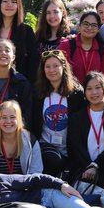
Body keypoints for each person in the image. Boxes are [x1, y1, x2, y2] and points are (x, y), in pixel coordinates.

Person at [67, 71, 104, 205]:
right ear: (85, 93)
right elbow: (76, 146)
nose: (94, 93)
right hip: (84, 168)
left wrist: (96, 165)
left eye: (98, 88)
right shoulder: (78, 117)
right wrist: (89, 166)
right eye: (89, 89)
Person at [31, 49, 85, 177]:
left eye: (56, 66)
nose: (52, 70)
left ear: (63, 67)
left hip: (69, 148)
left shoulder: (76, 94)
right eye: (47, 67)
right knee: (53, 161)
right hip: (46, 147)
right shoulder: (38, 93)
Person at [0, 100, 42, 177]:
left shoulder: (31, 141)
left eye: (12, 117)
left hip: (24, 187)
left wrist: (22, 185)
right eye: (4, 117)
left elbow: (36, 172)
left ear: (19, 119)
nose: (8, 121)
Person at [0, 0, 38, 80]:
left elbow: (33, 63)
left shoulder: (26, 31)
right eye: (5, 1)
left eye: (14, 2)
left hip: (20, 85)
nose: (9, 5)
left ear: (18, 6)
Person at [60, 10, 104, 85]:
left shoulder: (102, 49)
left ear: (98, 29)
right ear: (79, 26)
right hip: (71, 93)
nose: (89, 28)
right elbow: (60, 72)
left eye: (94, 25)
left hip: (94, 93)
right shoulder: (66, 45)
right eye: (86, 24)